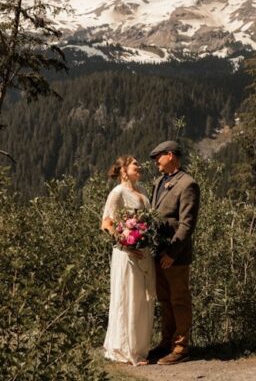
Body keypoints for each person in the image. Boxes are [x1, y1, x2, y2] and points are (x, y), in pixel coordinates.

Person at [148, 140, 200, 365]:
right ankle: (165, 343)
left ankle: (181, 347)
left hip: (175, 256)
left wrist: (172, 252)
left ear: (170, 155)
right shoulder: (159, 181)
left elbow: (186, 224)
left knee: (179, 300)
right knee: (164, 300)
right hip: (157, 252)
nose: (155, 162)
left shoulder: (188, 184)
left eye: (158, 157)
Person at [100, 156, 155, 366]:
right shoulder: (117, 193)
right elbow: (106, 224)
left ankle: (141, 348)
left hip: (144, 251)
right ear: (124, 170)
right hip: (127, 253)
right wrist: (126, 243)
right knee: (128, 296)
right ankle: (125, 349)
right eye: (135, 165)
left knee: (143, 298)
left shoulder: (142, 191)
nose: (139, 168)